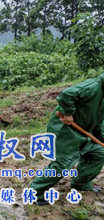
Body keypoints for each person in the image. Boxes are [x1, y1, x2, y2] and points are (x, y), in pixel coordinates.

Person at [29, 73, 104, 204]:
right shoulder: (92, 86)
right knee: (62, 164)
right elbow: (67, 94)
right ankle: (34, 193)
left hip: (84, 131)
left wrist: (102, 140)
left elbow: (99, 120)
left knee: (99, 153)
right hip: (65, 129)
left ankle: (81, 183)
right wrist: (68, 113)